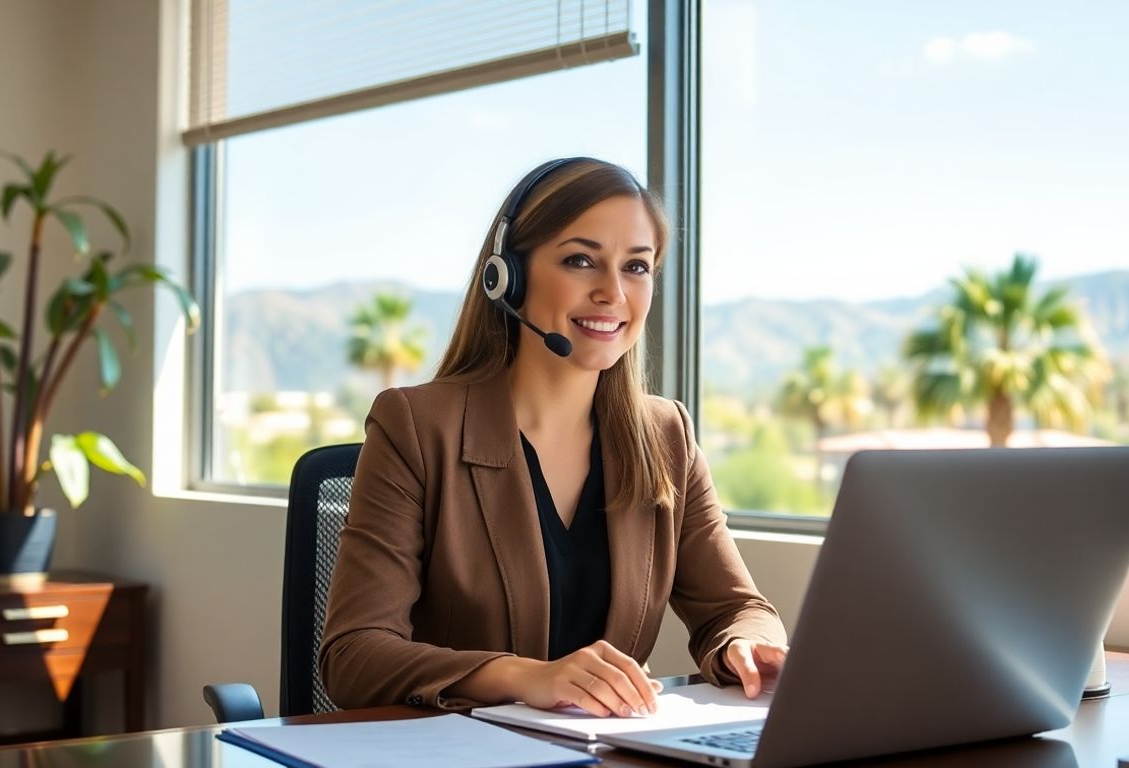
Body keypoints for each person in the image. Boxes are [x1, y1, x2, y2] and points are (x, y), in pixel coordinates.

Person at [318, 157, 787, 716]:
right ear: (507, 276)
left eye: (637, 267)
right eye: (581, 260)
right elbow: (353, 656)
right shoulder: (417, 427)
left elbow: (736, 608)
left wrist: (746, 644)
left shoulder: (667, 437)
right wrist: (523, 677)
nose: (612, 292)